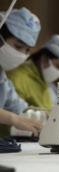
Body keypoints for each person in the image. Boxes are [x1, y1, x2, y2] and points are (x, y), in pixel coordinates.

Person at [0, 8, 43, 137]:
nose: (21, 54)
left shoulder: (3, 82)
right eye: (18, 47)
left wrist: (48, 115)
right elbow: (16, 116)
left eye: (27, 50)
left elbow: (20, 108)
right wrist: (14, 119)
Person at [7, 34, 59, 110]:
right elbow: (14, 114)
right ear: (44, 58)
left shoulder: (42, 81)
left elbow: (46, 109)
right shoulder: (18, 78)